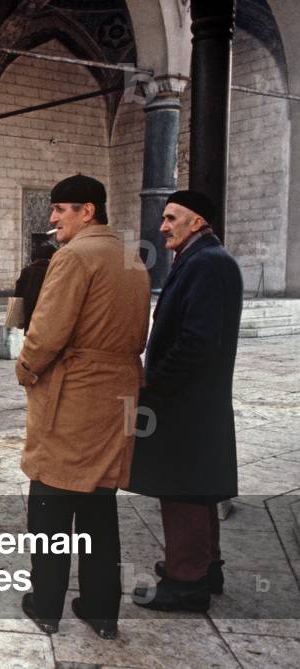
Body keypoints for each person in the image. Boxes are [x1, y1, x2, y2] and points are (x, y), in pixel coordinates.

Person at [15, 175, 151, 640]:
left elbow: (48, 330)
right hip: (119, 393)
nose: (52, 219)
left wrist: (27, 368)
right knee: (98, 503)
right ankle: (101, 609)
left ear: (88, 211)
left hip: (75, 395)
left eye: (60, 209)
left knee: (50, 501)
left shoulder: (73, 257)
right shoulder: (131, 255)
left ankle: (47, 605)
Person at [126, 190, 243, 613]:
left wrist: (154, 382)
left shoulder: (208, 263)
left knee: (182, 491)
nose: (162, 226)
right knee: (198, 487)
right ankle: (205, 566)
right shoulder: (204, 258)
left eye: (172, 218)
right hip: (197, 401)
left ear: (197, 222)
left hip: (186, 402)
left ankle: (186, 581)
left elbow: (198, 340)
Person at [14, 242, 57, 334]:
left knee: (31, 338)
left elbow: (18, 293)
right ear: (52, 255)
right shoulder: (54, 270)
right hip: (49, 312)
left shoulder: (26, 271)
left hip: (29, 311)